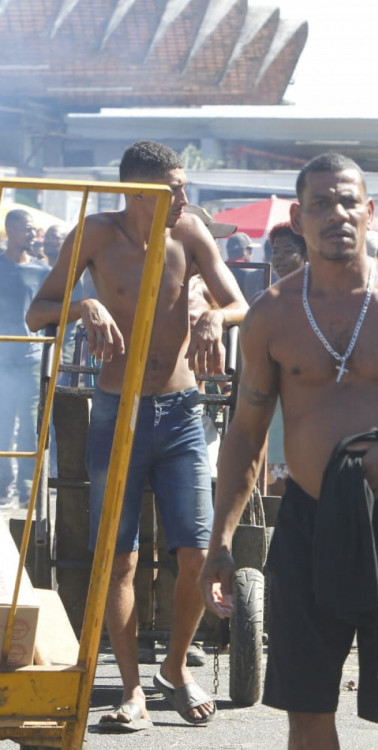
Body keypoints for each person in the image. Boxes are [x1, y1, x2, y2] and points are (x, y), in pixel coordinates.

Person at [200, 152, 378, 750]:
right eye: (320, 204)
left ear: (369, 211)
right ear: (299, 220)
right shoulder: (272, 315)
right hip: (309, 522)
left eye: (347, 201)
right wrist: (220, 541)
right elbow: (246, 434)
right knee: (305, 709)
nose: (336, 214)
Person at [26, 140, 247, 731]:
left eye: (183, 186)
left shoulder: (191, 235)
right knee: (117, 559)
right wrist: (86, 307)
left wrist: (210, 315)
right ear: (136, 190)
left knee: (197, 554)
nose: (183, 197)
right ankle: (132, 691)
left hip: (181, 412)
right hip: (115, 411)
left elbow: (241, 304)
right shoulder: (95, 234)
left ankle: (173, 669)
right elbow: (37, 310)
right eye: (172, 188)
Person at [0, 209, 51, 503]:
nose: (33, 235)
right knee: (3, 425)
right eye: (27, 229)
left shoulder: (41, 272)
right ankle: (3, 485)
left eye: (34, 230)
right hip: (2, 359)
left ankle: (28, 487)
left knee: (31, 428)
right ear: (12, 230)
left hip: (32, 360)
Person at [263, 222, 308, 496]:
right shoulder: (268, 301)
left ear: (306, 254)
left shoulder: (323, 302)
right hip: (277, 418)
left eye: (286, 251)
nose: (277, 258)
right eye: (275, 251)